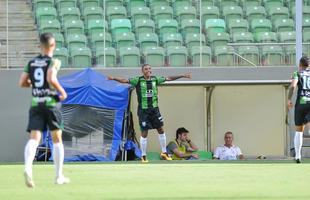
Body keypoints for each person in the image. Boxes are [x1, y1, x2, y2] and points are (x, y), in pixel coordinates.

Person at [108, 64, 191, 162]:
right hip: (144, 111)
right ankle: (143, 155)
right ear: (142, 71)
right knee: (144, 132)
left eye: (149, 69)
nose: (148, 70)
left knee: (161, 129)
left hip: (155, 109)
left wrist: (182, 75)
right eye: (146, 69)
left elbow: (169, 78)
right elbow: (125, 80)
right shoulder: (138, 80)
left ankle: (164, 152)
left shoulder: (155, 79)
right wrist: (113, 78)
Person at [19, 32, 69, 188]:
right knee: (57, 139)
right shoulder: (54, 61)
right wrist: (62, 92)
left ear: (40, 45)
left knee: (34, 138)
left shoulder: (32, 62)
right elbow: (50, 78)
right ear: (53, 45)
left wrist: (35, 85)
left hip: (36, 104)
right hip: (50, 103)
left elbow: (22, 83)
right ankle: (58, 176)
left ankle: (28, 167)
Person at [287, 56, 310, 163]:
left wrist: (288, 99)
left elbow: (292, 87)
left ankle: (298, 156)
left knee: (299, 129)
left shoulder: (297, 73)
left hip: (301, 102)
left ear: (300, 64)